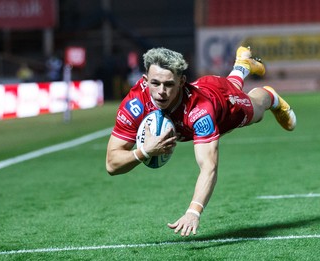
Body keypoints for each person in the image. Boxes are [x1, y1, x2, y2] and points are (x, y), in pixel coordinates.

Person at [106, 46, 296, 237]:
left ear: (181, 82)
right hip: (206, 90)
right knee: (231, 84)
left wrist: (193, 212)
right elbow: (112, 165)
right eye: (155, 83)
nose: (161, 91)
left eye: (169, 84)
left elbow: (209, 167)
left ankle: (271, 96)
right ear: (145, 80)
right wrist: (144, 151)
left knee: (257, 110)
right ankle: (242, 65)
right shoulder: (135, 104)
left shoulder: (200, 111)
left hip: (224, 105)